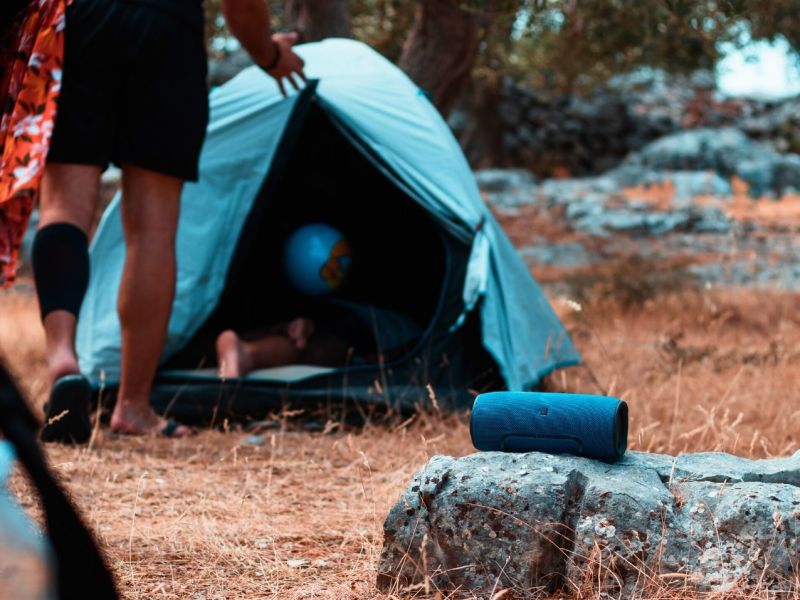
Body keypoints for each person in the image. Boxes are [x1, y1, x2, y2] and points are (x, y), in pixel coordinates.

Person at [31, 0, 307, 442]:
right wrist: (270, 55)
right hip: (165, 29)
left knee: (64, 206)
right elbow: (242, 6)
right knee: (151, 231)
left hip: (81, 21)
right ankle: (133, 406)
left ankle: (63, 359)